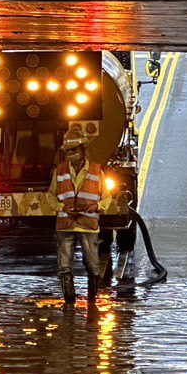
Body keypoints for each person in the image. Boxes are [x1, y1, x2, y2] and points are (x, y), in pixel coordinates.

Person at [50, 127, 109, 305]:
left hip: (87, 225)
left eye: (73, 150)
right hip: (65, 224)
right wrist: (61, 207)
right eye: (68, 151)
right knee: (64, 267)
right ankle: (69, 302)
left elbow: (106, 196)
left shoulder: (97, 172)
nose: (70, 154)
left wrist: (97, 206)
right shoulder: (60, 171)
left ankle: (91, 301)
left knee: (93, 266)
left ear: (83, 149)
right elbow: (50, 195)